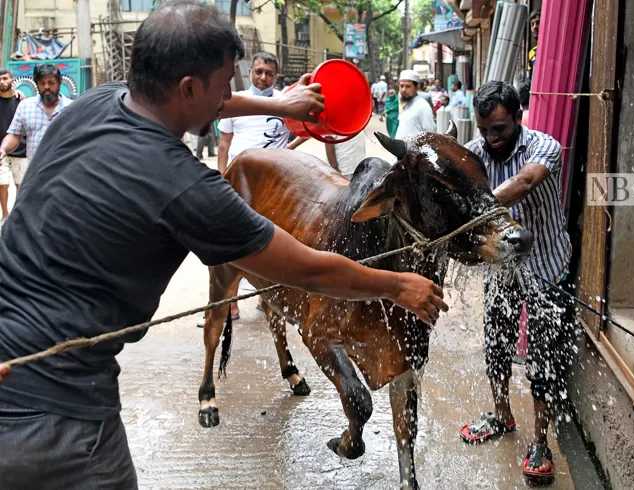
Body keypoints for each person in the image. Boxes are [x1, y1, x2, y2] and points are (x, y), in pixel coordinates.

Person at [0, 3, 448, 488]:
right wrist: (397, 285)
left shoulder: (96, 102)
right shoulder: (187, 189)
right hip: (58, 413)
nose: (230, 95)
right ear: (189, 88)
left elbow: (214, 104)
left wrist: (279, 105)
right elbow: (312, 271)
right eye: (225, 84)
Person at [459, 81, 576, 484]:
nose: (491, 139)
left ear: (518, 118)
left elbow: (524, 183)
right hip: (503, 268)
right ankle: (502, 415)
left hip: (547, 266)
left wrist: (475, 208)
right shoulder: (473, 154)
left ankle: (540, 440)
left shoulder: (546, 147)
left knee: (545, 360)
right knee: (497, 343)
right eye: (484, 130)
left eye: (500, 130)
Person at [196, 50, 304, 326]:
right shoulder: (234, 101)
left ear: (276, 76)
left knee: (274, 242)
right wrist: (221, 177)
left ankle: (266, 300)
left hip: (278, 187)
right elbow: (224, 144)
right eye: (259, 72)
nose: (263, 77)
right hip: (239, 184)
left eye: (269, 73)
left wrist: (288, 149)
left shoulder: (286, 101)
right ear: (250, 73)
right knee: (232, 243)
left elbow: (306, 131)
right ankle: (228, 305)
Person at [0, 63, 72, 179]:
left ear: (59, 82)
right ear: (37, 84)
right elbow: (14, 135)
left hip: (64, 173)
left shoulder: (72, 108)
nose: (46, 87)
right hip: (35, 174)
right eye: (42, 83)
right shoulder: (26, 106)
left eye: (51, 83)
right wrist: (3, 149)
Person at [0, 67, 25, 226]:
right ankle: (5, 215)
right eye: (0, 80)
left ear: (12, 80)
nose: (2, 82)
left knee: (20, 184)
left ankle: (19, 215)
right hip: (0, 152)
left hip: (21, 150)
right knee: (2, 184)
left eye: (5, 79)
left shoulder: (21, 101)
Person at [395, 70, 436, 140]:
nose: (403, 89)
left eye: (408, 86)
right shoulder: (407, 103)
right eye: (401, 86)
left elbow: (431, 136)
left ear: (417, 87)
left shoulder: (423, 107)